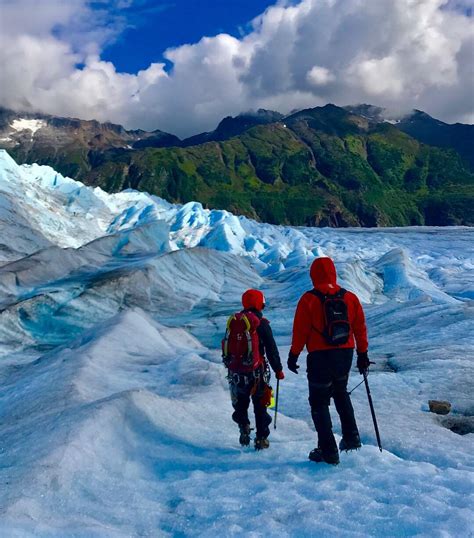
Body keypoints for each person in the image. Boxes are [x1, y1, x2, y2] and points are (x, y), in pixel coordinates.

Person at [287, 257, 370, 465]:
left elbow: (300, 331)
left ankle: (328, 451)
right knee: (341, 392)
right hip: (345, 354)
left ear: (313, 274)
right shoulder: (349, 297)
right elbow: (359, 328)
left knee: (319, 402)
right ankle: (351, 437)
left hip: (320, 357)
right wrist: (363, 354)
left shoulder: (309, 299)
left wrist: (293, 355)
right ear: (334, 272)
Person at [225, 289, 285, 450]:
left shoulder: (235, 322)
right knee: (260, 405)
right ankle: (261, 438)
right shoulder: (262, 323)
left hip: (237, 373)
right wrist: (278, 369)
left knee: (241, 403)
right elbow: (272, 349)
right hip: (257, 373)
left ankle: (243, 427)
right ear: (260, 303)